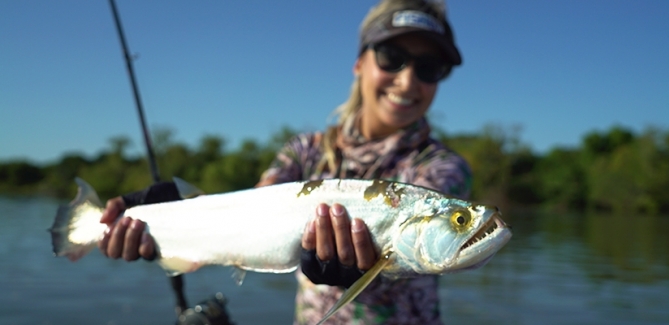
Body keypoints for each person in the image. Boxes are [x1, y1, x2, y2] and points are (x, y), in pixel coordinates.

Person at [99, 0, 472, 324]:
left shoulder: (441, 168)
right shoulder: (305, 150)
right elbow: (255, 210)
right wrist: (172, 215)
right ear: (360, 63)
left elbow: (428, 245)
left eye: (429, 68)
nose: (407, 82)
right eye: (392, 58)